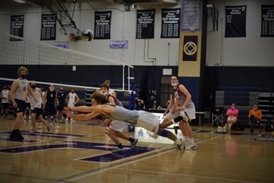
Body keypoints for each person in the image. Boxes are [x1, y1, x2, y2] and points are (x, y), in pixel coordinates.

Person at [64, 91, 183, 151]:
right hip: (138, 119)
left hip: (139, 118)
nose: (92, 103)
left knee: (160, 131)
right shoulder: (101, 109)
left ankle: (179, 142)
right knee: (160, 127)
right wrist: (71, 115)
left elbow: (88, 108)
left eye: (93, 101)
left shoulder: (106, 107)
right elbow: (85, 117)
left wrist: (73, 107)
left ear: (98, 101)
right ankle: (179, 119)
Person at [159, 75, 197, 150]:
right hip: (182, 108)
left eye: (174, 79)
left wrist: (184, 106)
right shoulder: (175, 90)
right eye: (172, 79)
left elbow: (189, 96)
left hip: (189, 107)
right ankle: (186, 139)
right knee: (181, 124)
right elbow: (177, 101)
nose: (173, 81)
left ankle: (192, 143)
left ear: (177, 80)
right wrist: (174, 108)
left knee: (185, 124)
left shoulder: (180, 86)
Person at [100, 83, 138, 153]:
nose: (103, 90)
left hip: (119, 116)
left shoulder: (110, 97)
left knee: (109, 133)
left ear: (108, 90)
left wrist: (109, 119)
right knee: (115, 133)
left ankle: (120, 147)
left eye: (104, 89)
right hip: (120, 116)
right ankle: (132, 140)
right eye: (101, 89)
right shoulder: (105, 99)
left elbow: (113, 109)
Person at [9, 66, 36, 141]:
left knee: (20, 117)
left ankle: (14, 132)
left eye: (24, 72)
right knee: (20, 115)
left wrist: (34, 97)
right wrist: (13, 101)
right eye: (22, 72)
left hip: (22, 101)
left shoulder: (27, 82)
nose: (23, 73)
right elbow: (11, 92)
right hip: (16, 100)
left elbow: (29, 90)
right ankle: (16, 132)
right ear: (19, 73)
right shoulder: (16, 82)